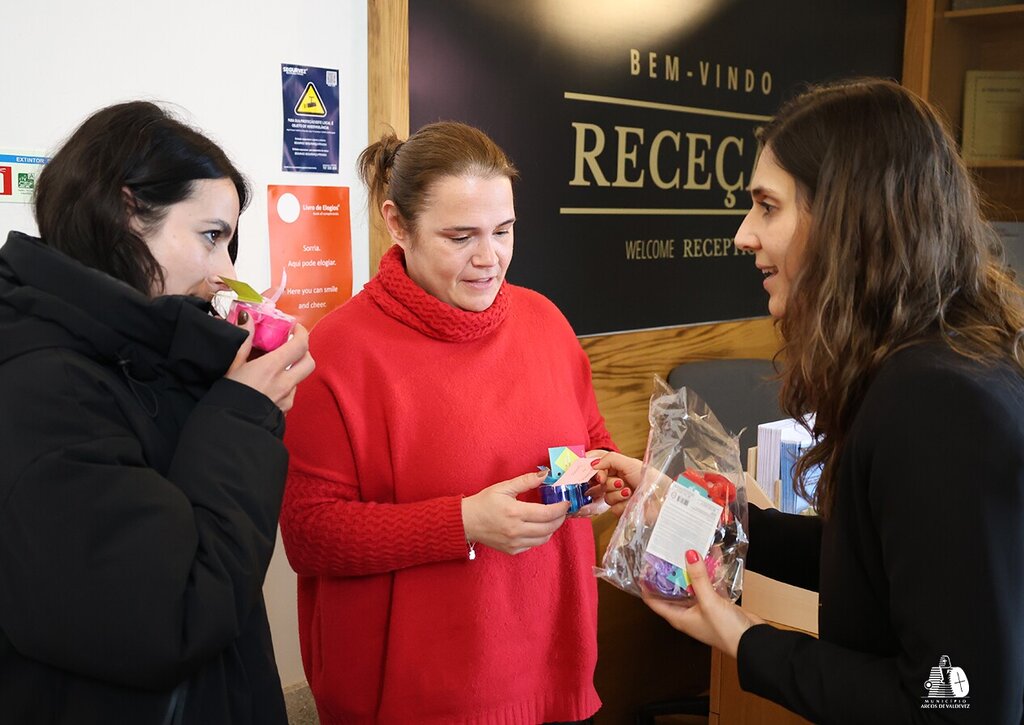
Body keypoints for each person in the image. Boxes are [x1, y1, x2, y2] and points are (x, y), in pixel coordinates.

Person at [593, 79, 1024, 723]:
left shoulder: (935, 402)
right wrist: (691, 512)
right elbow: (865, 560)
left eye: (767, 207)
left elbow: (953, 706)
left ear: (847, 219)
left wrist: (743, 637)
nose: (743, 235)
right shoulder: (932, 365)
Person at [279, 121, 615, 724]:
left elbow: (592, 443)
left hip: (550, 670)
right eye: (461, 237)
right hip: (416, 692)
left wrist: (600, 482)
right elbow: (309, 535)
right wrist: (463, 523)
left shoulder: (545, 323)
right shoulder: (337, 351)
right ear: (397, 223)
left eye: (503, 231)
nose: (490, 259)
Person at [0, 101, 315, 723]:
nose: (226, 272)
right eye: (211, 237)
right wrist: (242, 414)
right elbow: (171, 613)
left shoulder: (137, 350)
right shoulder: (40, 386)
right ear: (127, 213)